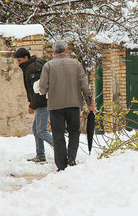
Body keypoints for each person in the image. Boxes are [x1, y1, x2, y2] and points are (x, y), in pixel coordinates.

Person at [38, 40, 95, 171]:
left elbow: (43, 88)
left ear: (53, 52)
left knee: (58, 134)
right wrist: (90, 103)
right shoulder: (76, 64)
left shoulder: (48, 66)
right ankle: (71, 159)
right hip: (74, 104)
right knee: (74, 132)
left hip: (55, 106)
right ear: (66, 50)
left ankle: (61, 164)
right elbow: (84, 86)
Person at [13, 48, 53, 163]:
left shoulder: (33, 68)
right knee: (36, 129)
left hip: (43, 103)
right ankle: (40, 155)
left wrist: (32, 105)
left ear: (26, 58)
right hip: (43, 102)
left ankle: (62, 150)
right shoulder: (36, 63)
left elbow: (39, 90)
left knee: (41, 131)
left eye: (20, 60)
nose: (18, 63)